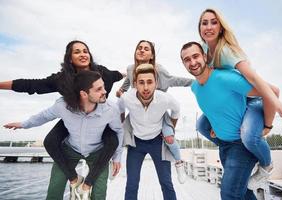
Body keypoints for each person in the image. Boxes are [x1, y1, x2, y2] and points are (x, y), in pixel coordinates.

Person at [0, 40, 124, 199]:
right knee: (51, 140)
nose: (83, 54)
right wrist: (24, 123)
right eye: (77, 52)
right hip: (73, 115)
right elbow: (33, 86)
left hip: (100, 118)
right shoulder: (62, 81)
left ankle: (88, 184)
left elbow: (119, 74)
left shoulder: (103, 74)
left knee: (112, 140)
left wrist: (135, 70)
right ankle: (74, 179)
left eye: (85, 51)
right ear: (69, 58)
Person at [197, 8, 282, 190]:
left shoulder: (227, 51)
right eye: (204, 23)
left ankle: (265, 165)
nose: (209, 27)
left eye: (214, 22)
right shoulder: (204, 50)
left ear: (221, 27)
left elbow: (255, 80)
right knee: (202, 126)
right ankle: (229, 146)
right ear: (199, 28)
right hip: (233, 100)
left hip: (253, 99)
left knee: (249, 136)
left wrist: (271, 121)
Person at [180, 41, 277, 199]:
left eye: (196, 56)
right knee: (243, 192)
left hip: (241, 145)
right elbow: (214, 104)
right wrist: (214, 121)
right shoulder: (195, 87)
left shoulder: (224, 78)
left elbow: (270, 92)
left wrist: (267, 125)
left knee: (230, 194)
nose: (192, 62)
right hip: (224, 146)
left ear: (204, 56)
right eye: (187, 59)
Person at [116, 40, 192, 183]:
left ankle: (179, 162)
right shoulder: (131, 69)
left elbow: (174, 80)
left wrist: (195, 82)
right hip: (137, 110)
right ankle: (115, 164)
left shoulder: (159, 70)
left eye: (146, 49)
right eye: (139, 48)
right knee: (119, 133)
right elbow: (127, 84)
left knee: (169, 136)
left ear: (152, 55)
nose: (142, 50)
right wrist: (121, 91)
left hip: (158, 111)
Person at [119, 63, 179, 200]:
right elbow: (120, 108)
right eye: (141, 82)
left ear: (156, 83)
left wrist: (171, 128)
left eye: (149, 82)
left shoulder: (165, 98)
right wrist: (123, 123)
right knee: (132, 184)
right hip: (136, 144)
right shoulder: (127, 98)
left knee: (166, 182)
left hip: (157, 142)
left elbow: (177, 110)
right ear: (135, 84)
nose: (146, 87)